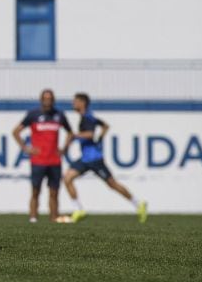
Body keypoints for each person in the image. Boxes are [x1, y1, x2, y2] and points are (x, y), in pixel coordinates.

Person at [62, 93, 148, 223]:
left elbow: (90, 134)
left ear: (82, 103)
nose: (73, 104)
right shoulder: (88, 116)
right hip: (86, 159)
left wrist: (74, 135)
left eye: (75, 101)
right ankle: (79, 210)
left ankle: (138, 204)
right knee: (67, 178)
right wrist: (100, 138)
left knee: (112, 184)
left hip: (95, 160)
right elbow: (105, 126)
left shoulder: (87, 118)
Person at [12, 89, 73, 223]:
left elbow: (70, 133)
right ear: (41, 100)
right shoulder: (33, 115)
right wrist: (26, 148)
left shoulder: (59, 115)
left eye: (50, 99)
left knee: (54, 192)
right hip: (38, 160)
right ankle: (33, 217)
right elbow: (16, 132)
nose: (48, 101)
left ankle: (54, 217)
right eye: (45, 99)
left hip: (54, 160)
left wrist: (63, 149)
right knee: (35, 191)